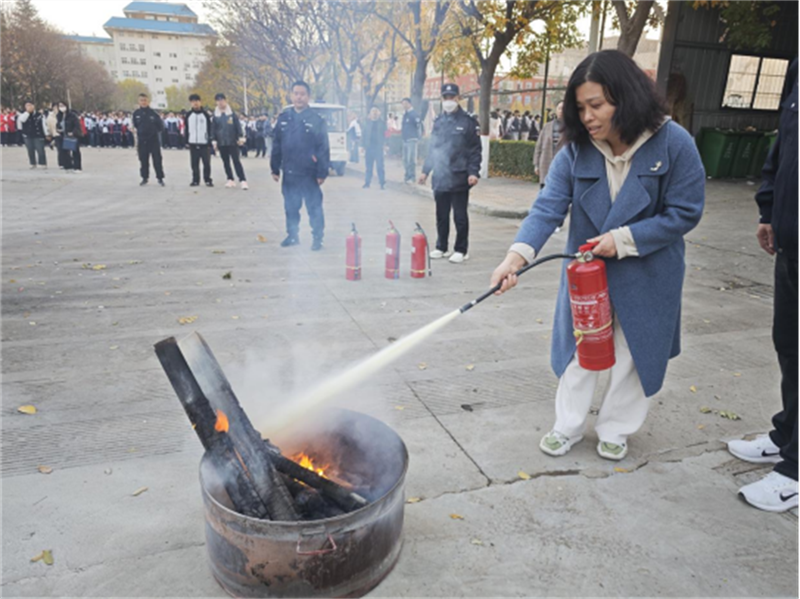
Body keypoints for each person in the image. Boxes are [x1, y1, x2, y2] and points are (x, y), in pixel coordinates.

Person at [490, 50, 705, 461]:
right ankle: (567, 426)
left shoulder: (674, 143)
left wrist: (623, 238)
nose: (588, 117)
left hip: (650, 269)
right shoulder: (576, 151)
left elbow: (685, 212)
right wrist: (516, 257)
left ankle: (616, 428)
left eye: (597, 105)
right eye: (580, 107)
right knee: (581, 348)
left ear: (626, 98)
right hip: (588, 274)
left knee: (632, 353)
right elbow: (548, 206)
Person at [726, 58, 799, 513]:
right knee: (789, 345)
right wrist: (767, 209)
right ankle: (786, 435)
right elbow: (783, 145)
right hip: (791, 242)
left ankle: (796, 471)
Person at [418, 83, 481, 264]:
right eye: (445, 97)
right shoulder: (438, 121)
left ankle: (461, 249)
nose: (448, 101)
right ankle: (441, 246)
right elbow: (433, 149)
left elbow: (475, 150)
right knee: (441, 214)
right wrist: (425, 171)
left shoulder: (468, 121)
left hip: (460, 176)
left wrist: (473, 172)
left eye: (452, 97)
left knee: (460, 216)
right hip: (441, 174)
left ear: (458, 98)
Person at [271, 80, 330, 250]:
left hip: (309, 173)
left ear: (308, 96)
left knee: (314, 208)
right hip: (289, 172)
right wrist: (274, 168)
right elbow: (277, 145)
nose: (299, 97)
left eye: (302, 94)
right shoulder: (284, 118)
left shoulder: (316, 120)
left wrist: (321, 172)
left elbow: (323, 148)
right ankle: (292, 235)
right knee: (290, 207)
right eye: (296, 93)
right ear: (291, 95)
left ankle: (317, 238)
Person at [211, 93, 248, 190]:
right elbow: (213, 129)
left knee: (236, 161)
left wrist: (241, 137)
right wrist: (214, 141)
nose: (220, 102)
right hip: (221, 142)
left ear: (225, 101)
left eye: (222, 100)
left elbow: (238, 127)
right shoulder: (215, 116)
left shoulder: (232, 114)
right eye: (218, 100)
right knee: (225, 162)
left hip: (232, 141)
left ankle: (243, 180)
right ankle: (230, 179)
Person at [132, 93, 165, 186]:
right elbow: (136, 125)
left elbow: (160, 127)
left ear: (148, 101)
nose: (143, 102)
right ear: (139, 101)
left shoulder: (154, 114)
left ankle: (160, 178)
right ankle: (144, 178)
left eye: (145, 100)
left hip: (153, 140)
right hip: (142, 140)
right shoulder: (136, 114)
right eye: (141, 100)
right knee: (143, 160)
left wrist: (152, 132)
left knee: (157, 160)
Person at [533, 101, 565, 189]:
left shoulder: (571, 128)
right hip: (546, 163)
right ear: (556, 110)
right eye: (559, 108)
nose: (561, 111)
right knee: (544, 190)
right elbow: (538, 146)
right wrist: (536, 165)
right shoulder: (547, 126)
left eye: (564, 109)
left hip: (562, 166)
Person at [184, 93, 214, 187]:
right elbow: (186, 128)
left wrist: (210, 140)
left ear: (200, 102)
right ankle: (195, 180)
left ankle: (207, 179)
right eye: (193, 102)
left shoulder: (206, 115)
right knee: (194, 163)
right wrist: (186, 141)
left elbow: (210, 128)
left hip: (204, 143)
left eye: (197, 101)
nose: (195, 103)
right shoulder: (189, 115)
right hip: (192, 142)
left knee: (206, 163)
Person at [363, 107, 387, 190]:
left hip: (378, 148)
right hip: (369, 148)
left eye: (376, 111)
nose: (374, 113)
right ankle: (367, 182)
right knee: (368, 167)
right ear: (370, 113)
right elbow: (364, 135)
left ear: (379, 113)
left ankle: (382, 183)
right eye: (373, 111)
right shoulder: (367, 123)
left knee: (380, 166)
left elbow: (386, 135)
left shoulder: (382, 123)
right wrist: (362, 146)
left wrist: (385, 144)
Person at [18, 100, 48, 168]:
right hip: (28, 135)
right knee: (30, 150)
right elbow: (22, 120)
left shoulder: (39, 115)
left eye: (30, 105)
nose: (28, 107)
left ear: (33, 106)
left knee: (40, 149)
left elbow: (44, 125)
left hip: (38, 134)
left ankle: (42, 163)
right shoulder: (23, 114)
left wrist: (46, 134)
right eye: (27, 106)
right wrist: (27, 113)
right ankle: (32, 163)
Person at [55, 102, 82, 172]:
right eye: (60, 106)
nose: (61, 107)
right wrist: (58, 129)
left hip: (72, 135)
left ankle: (77, 167)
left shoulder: (72, 115)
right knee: (64, 151)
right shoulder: (59, 116)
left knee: (75, 151)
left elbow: (77, 125)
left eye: (63, 106)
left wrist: (73, 132)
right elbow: (58, 124)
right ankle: (68, 165)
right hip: (63, 135)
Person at [400, 97, 422, 183]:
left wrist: (418, 138)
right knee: (405, 159)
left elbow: (418, 127)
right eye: (402, 103)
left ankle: (412, 177)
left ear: (409, 104)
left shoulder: (414, 114)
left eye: (405, 103)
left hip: (412, 139)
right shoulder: (405, 115)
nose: (403, 105)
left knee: (411, 159)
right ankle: (407, 175)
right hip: (405, 139)